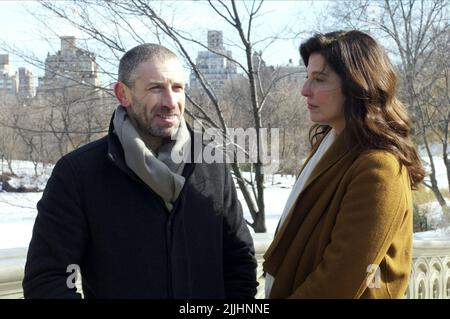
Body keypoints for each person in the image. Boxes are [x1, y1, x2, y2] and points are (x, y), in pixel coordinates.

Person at [23, 43, 258, 299]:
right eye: (156, 88)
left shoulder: (211, 163)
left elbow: (239, 261)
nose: (170, 102)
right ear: (123, 94)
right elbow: (47, 278)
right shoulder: (78, 173)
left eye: (177, 88)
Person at [263, 30, 425, 299]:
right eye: (307, 78)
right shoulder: (329, 143)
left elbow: (338, 282)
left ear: (357, 85)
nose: (305, 90)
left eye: (319, 79)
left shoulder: (380, 168)